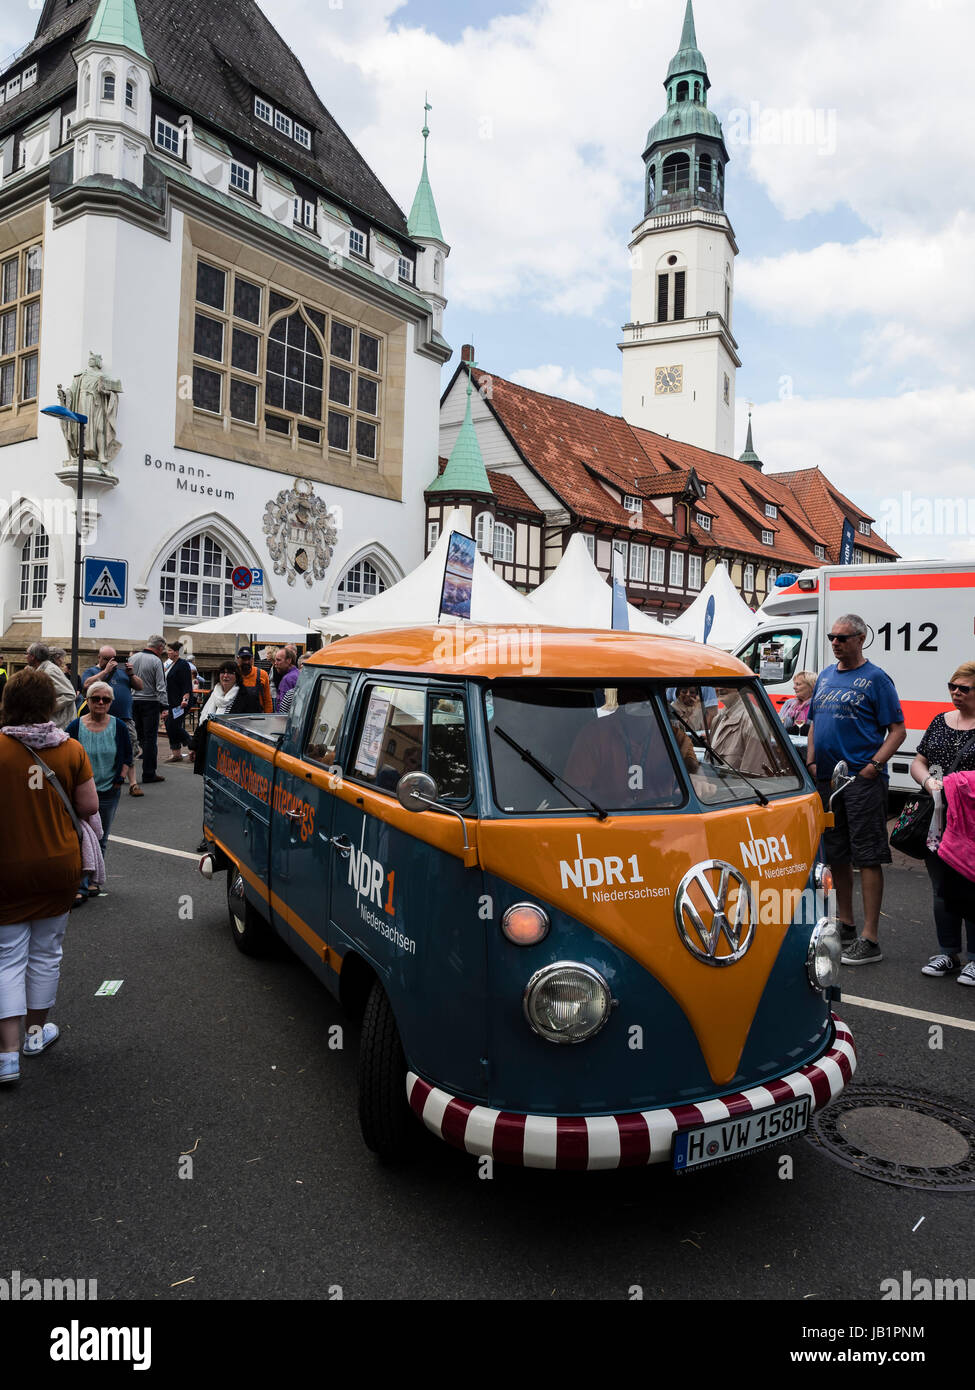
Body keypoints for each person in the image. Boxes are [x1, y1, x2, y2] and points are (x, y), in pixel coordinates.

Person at [0, 668, 98, 1082]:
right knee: (46, 954)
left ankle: (7, 1055)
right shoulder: (70, 749)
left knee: (7, 959)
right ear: (50, 705)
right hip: (59, 865)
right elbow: (90, 806)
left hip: (7, 867)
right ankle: (37, 1034)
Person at [806, 614, 906, 966]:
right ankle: (846, 923)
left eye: (842, 638)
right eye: (832, 637)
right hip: (828, 781)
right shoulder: (825, 676)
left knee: (868, 855)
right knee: (837, 855)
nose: (835, 642)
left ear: (861, 639)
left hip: (862, 782)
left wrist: (873, 767)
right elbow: (816, 722)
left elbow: (897, 730)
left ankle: (870, 938)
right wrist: (812, 759)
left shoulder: (876, 679)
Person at [910, 662, 975, 985]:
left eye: (964, 688)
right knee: (942, 888)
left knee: (973, 888)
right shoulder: (940, 720)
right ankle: (947, 952)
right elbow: (919, 761)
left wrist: (953, 783)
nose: (956, 693)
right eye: (952, 686)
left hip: (972, 824)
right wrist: (928, 782)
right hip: (938, 818)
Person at [564, 687, 683, 809]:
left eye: (651, 694)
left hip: (665, 818)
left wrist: (696, 783)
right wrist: (614, 807)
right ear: (621, 697)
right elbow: (574, 791)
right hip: (608, 819)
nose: (643, 701)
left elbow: (694, 774)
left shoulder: (674, 735)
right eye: (636, 695)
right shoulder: (594, 734)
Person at [65, 680, 131, 899]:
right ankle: (80, 885)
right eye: (96, 699)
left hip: (108, 791)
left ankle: (94, 881)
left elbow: (127, 756)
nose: (100, 702)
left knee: (100, 837)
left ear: (111, 703)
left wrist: (119, 780)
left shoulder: (118, 726)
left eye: (106, 699)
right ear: (88, 701)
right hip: (79, 793)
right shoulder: (75, 727)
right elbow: (64, 758)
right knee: (80, 837)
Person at [82, 645, 144, 796]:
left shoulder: (122, 672)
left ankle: (133, 784)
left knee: (130, 748)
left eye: (113, 659)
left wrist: (131, 674)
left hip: (124, 718)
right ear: (99, 658)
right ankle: (96, 781)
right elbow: (86, 685)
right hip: (99, 718)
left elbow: (140, 686)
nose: (111, 662)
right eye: (106, 659)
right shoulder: (92, 671)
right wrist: (105, 671)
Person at [192, 662, 239, 851]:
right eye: (223, 673)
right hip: (211, 751)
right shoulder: (213, 694)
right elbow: (203, 723)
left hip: (233, 755)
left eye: (230, 673)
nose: (225, 676)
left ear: (236, 676)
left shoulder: (243, 696)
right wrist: (194, 747)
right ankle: (209, 836)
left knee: (230, 797)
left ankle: (229, 836)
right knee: (210, 796)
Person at [129, 636, 169, 784]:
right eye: (163, 649)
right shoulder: (156, 661)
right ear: (159, 648)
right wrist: (165, 706)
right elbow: (160, 686)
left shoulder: (132, 658)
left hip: (133, 701)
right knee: (150, 739)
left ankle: (126, 770)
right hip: (150, 702)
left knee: (136, 736)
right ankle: (149, 773)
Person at [25, 642, 76, 730]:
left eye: (27, 654)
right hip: (52, 724)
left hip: (60, 725)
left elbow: (69, 695)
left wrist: (45, 709)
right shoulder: (40, 670)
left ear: (33, 656)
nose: (25, 656)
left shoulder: (50, 671)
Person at [163, 641, 195, 763]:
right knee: (169, 725)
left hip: (181, 702)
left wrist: (185, 699)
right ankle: (176, 753)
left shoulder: (183, 665)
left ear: (177, 652)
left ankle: (193, 746)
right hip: (171, 701)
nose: (168, 652)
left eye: (170, 650)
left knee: (173, 725)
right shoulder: (171, 664)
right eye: (168, 650)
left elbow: (187, 684)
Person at [234, 646, 273, 713]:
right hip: (235, 716)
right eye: (243, 659)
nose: (246, 662)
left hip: (257, 718)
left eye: (248, 659)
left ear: (252, 659)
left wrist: (268, 718)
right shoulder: (232, 674)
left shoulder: (262, 674)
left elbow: (267, 700)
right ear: (238, 659)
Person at [271, 647, 299, 714]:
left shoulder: (287, 679)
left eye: (278, 660)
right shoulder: (298, 674)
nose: (275, 663)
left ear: (289, 661)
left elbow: (283, 709)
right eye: (275, 660)